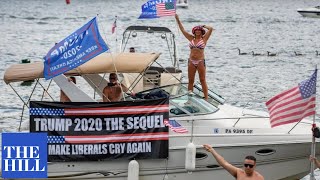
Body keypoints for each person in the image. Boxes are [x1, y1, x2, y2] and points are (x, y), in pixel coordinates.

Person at [175, 14, 214, 100]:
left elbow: (210, 29)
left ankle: (206, 98)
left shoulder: (204, 39)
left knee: (202, 80)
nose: (198, 32)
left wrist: (203, 26)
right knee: (190, 80)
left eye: (199, 30)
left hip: (200, 61)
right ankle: (190, 99)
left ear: (202, 31)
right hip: (191, 61)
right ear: (194, 31)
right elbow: (182, 30)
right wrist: (177, 19)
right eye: (196, 30)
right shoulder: (191, 38)